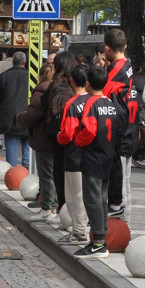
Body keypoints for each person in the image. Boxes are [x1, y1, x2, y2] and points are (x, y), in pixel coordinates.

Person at [72, 66, 120, 259]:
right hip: (108, 155)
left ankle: (98, 242)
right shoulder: (109, 102)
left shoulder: (90, 103)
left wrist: (77, 140)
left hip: (92, 155)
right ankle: (101, 239)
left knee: (92, 199)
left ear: (88, 83)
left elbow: (90, 130)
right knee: (102, 198)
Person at [102, 29, 137, 222]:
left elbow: (101, 91)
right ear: (125, 46)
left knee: (118, 171)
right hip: (127, 123)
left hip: (119, 125)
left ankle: (116, 206)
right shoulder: (127, 64)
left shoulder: (116, 69)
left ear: (107, 48)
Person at [55, 64, 90, 243]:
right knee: (87, 194)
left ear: (71, 81)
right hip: (93, 155)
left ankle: (79, 231)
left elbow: (67, 133)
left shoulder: (72, 103)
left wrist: (59, 137)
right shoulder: (98, 100)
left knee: (74, 195)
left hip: (74, 154)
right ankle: (84, 229)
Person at [17, 63, 56, 219]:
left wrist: (20, 117)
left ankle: (47, 207)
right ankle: (54, 205)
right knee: (54, 174)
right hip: (56, 137)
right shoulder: (59, 89)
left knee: (46, 174)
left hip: (43, 137)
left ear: (40, 76)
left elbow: (32, 114)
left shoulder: (41, 92)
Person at [46, 53, 76, 214]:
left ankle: (63, 208)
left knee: (59, 173)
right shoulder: (75, 82)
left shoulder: (58, 84)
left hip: (61, 134)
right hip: (75, 135)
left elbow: (52, 108)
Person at [0, 52, 30, 168]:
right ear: (24, 62)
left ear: (13, 62)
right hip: (27, 114)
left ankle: (12, 170)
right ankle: (26, 166)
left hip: (8, 116)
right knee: (27, 141)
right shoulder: (31, 76)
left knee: (11, 142)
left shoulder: (3, 77)